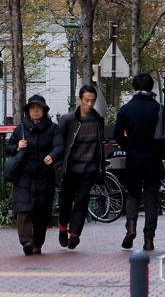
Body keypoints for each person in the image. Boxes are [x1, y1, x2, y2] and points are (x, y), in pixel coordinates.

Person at [113, 72, 165, 252]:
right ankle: (149, 238)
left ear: (134, 87)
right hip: (153, 157)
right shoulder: (159, 108)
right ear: (150, 87)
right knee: (151, 199)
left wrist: (129, 145)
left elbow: (117, 134)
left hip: (133, 157)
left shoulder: (126, 109)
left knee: (132, 194)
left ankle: (131, 227)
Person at [5, 94, 64, 255]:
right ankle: (26, 241)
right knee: (23, 209)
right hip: (24, 175)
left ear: (44, 111)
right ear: (28, 111)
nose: (35, 111)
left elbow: (60, 146)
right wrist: (17, 146)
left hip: (45, 176)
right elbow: (8, 147)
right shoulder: (21, 129)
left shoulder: (52, 128)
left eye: (39, 108)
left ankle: (37, 242)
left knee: (42, 212)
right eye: (32, 108)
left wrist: (52, 155)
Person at [55, 85, 104, 250]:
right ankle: (63, 227)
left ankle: (74, 234)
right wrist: (58, 167)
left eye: (92, 101)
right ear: (79, 100)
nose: (89, 104)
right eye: (86, 100)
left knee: (82, 201)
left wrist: (100, 168)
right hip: (70, 169)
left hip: (89, 169)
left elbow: (99, 147)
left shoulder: (98, 120)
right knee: (65, 202)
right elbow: (59, 145)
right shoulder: (68, 120)